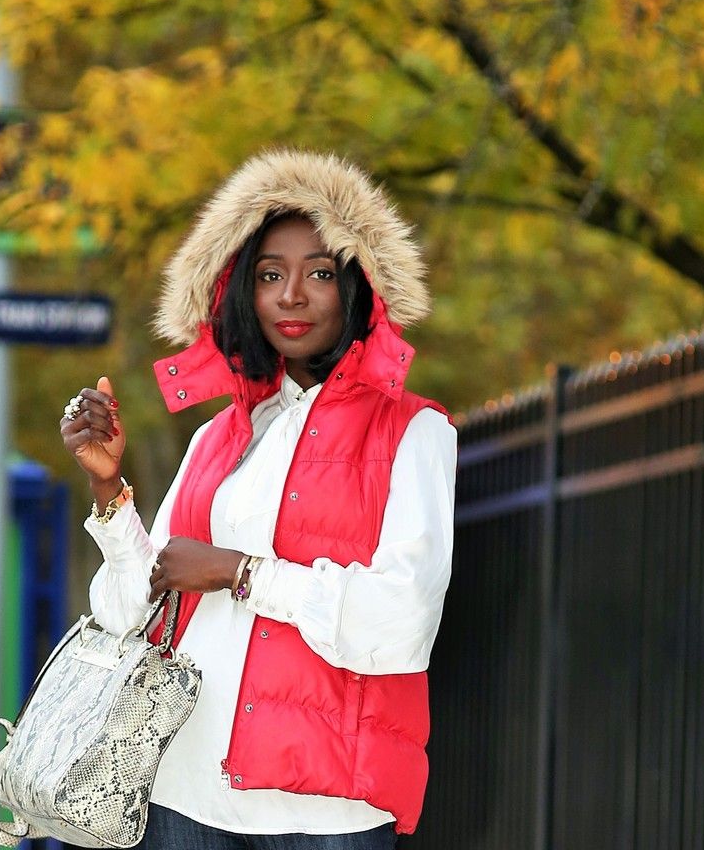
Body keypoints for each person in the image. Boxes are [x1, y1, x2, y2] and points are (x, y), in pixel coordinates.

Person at [61, 149, 457, 850]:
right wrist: (107, 488)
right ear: (241, 290)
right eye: (271, 274)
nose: (292, 295)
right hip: (181, 794)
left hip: (323, 812)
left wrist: (241, 572)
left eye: (320, 273)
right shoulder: (219, 435)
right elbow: (125, 611)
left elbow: (402, 625)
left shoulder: (414, 432)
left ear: (360, 285)